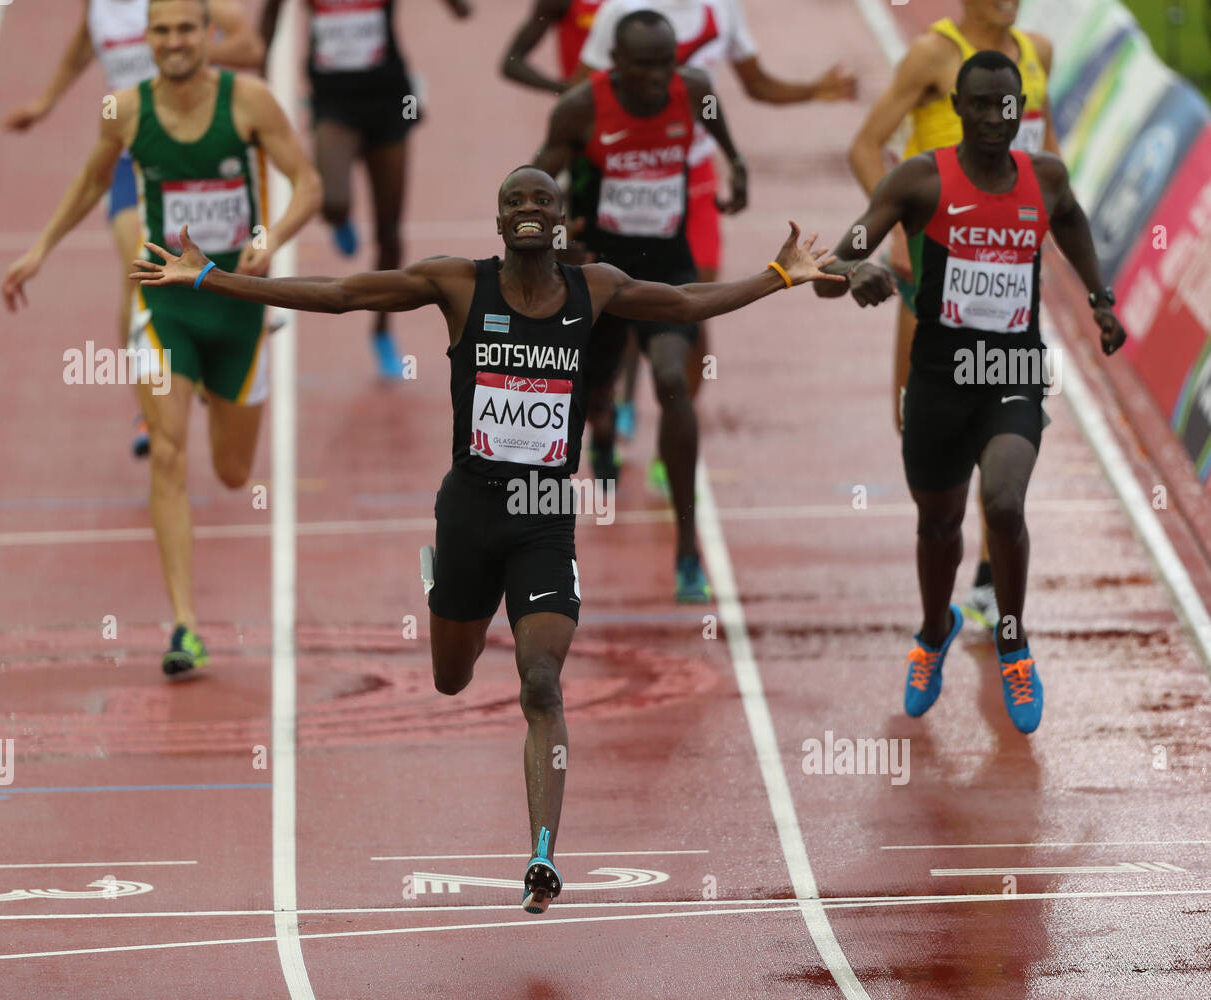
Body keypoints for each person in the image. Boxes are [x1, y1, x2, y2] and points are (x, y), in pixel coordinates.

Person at [131, 164, 841, 910]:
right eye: (515, 202)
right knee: (451, 678)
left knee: (541, 681)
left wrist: (777, 275)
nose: (529, 209)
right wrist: (211, 278)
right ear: (499, 222)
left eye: (542, 199)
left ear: (560, 219)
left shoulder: (593, 288)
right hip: (469, 512)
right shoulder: (458, 284)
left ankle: (541, 858)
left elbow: (685, 300)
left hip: (543, 516)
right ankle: (445, 586)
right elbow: (341, 297)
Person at [2, 0, 322, 676]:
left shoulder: (250, 101)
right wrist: (39, 250)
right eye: (161, 31)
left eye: (185, 29)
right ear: (145, 39)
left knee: (234, 474)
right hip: (166, 304)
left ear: (206, 35)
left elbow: (308, 185)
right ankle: (184, 625)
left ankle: (212, 386)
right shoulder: (125, 109)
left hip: (237, 304)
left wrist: (269, 238)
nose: (173, 41)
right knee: (168, 455)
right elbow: (93, 180)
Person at [814, 51, 1125, 734]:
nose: (994, 117)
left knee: (1004, 501)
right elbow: (832, 262)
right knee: (938, 525)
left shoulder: (1044, 177)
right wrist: (853, 271)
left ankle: (1012, 640)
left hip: (1011, 371)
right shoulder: (921, 180)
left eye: (1005, 105)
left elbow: (1069, 218)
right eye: (979, 104)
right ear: (956, 108)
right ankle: (934, 632)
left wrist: (1101, 299)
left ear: (1021, 109)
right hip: (939, 379)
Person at [574, 0, 856, 478]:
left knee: (694, 303)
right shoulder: (620, 13)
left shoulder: (720, 9)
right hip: (622, 168)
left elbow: (755, 83)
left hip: (692, 172)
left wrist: (814, 90)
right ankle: (614, 408)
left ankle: (673, 438)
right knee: (618, 306)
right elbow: (582, 97)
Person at [847, 0, 1057, 629]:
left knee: (1004, 428)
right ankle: (942, 554)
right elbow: (865, 147)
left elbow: (1049, 157)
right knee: (917, 418)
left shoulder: (1039, 53)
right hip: (927, 273)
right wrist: (910, 223)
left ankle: (992, 580)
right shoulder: (933, 55)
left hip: (1006, 272)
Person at [535, 9, 746, 602]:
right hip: (599, 277)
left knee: (672, 378)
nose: (659, 78)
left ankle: (687, 548)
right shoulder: (581, 107)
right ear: (615, 64)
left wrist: (741, 168)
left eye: (667, 63)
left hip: (667, 270)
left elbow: (718, 125)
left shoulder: (693, 92)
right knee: (593, 388)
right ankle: (601, 425)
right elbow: (528, 184)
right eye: (645, 67)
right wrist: (558, 240)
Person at [4, 0, 265, 458]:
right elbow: (81, 49)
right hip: (130, 156)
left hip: (191, 148)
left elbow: (250, 46)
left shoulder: (179, 9)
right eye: (159, 34)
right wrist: (45, 102)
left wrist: (189, 52)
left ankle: (214, 345)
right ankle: (151, 397)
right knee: (139, 264)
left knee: (205, 255)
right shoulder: (97, 6)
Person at [259, 0, 472, 378]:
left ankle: (382, 330)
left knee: (389, 232)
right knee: (333, 200)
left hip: (390, 100)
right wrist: (260, 82)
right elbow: (271, 15)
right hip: (334, 102)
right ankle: (339, 218)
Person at [500, 0, 607, 93]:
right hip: (586, 108)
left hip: (623, 102)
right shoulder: (558, 2)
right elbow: (511, 63)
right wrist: (564, 89)